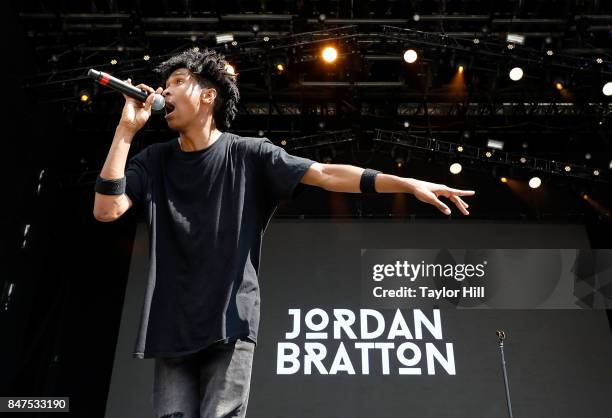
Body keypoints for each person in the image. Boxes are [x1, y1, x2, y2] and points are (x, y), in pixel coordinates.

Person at [92, 48, 475, 418]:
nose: (164, 91)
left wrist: (405, 183)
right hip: (171, 323)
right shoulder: (155, 159)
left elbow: (326, 174)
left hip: (229, 321)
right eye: (165, 84)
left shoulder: (249, 153)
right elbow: (106, 210)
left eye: (177, 81)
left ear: (208, 95)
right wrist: (126, 131)